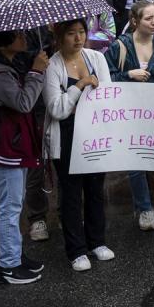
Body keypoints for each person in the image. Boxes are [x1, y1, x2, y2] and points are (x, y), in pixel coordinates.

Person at [43, 19, 113, 272]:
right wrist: (80, 86)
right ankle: (76, 250)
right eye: (71, 33)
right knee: (71, 195)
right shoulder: (52, 65)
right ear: (60, 37)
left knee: (95, 189)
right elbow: (57, 109)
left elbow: (108, 96)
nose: (78, 38)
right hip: (66, 137)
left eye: (81, 32)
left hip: (94, 135)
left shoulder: (96, 57)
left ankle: (97, 241)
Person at [105, 1, 154, 231]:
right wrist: (128, 74)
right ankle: (144, 209)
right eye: (149, 18)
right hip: (131, 115)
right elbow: (106, 79)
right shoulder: (119, 47)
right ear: (135, 21)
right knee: (136, 165)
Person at [0, 30, 47, 285]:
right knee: (10, 206)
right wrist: (36, 73)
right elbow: (24, 102)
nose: (24, 38)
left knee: (15, 202)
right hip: (6, 149)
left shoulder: (11, 64)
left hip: (16, 145)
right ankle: (8, 265)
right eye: (17, 35)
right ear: (4, 41)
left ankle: (13, 254)